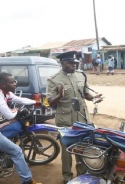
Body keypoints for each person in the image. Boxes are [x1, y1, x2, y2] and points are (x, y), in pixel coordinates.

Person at [46, 51, 103, 184]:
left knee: (83, 148)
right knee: (67, 151)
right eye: (70, 63)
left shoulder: (81, 75)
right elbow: (49, 101)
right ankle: (67, 176)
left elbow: (85, 93)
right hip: (65, 119)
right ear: (62, 63)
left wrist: (94, 98)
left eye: (75, 63)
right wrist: (59, 96)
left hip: (82, 118)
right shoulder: (54, 79)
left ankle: (82, 174)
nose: (74, 65)